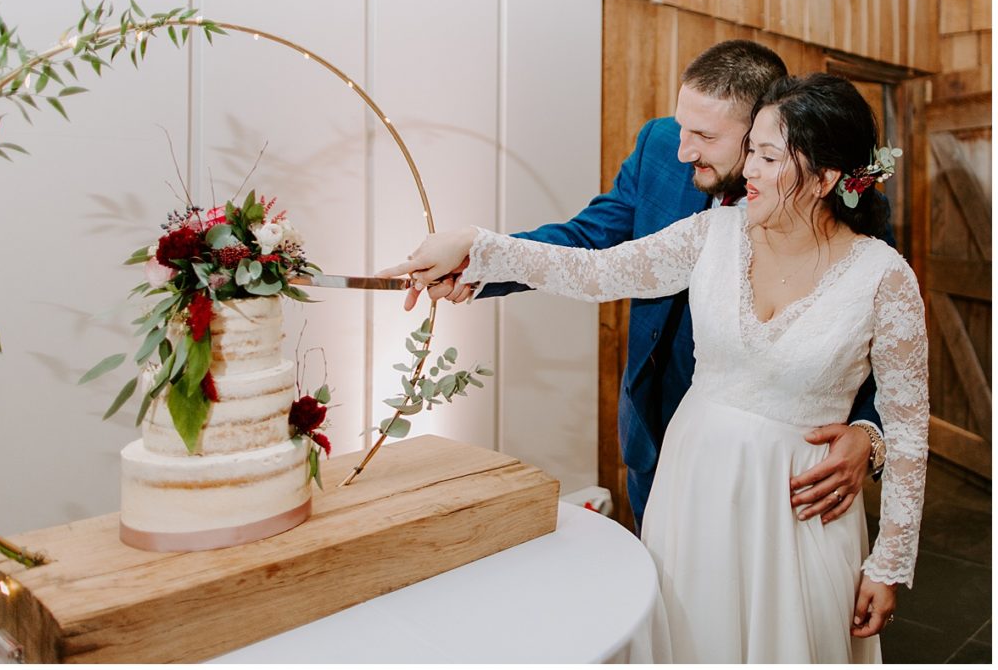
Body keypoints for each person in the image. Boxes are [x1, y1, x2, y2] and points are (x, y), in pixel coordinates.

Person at [380, 73, 927, 662]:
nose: (750, 171)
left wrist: (889, 565)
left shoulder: (884, 277)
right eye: (751, 153)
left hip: (799, 509)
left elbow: (909, 427)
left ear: (825, 179)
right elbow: (595, 269)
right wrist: (476, 245)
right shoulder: (712, 234)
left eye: (769, 157)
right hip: (692, 483)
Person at [403, 40, 891, 533]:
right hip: (655, 428)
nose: (683, 151)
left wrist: (867, 431)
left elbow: (874, 336)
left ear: (762, 131)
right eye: (682, 127)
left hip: (781, 466)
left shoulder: (846, 214)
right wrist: (476, 259)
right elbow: (588, 246)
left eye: (703, 135)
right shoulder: (660, 148)